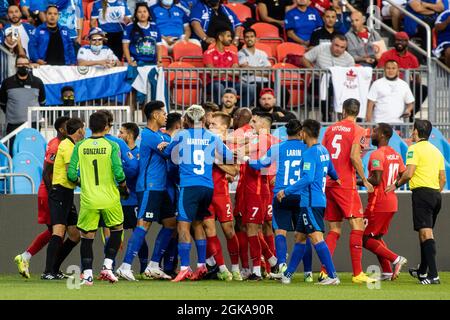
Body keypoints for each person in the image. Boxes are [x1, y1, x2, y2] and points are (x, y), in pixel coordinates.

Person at [159, 104, 234, 282]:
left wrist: (165, 146)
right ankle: (201, 265)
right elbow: (229, 156)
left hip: (189, 186)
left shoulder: (183, 135)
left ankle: (184, 267)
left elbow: (168, 154)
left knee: (183, 226)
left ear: (187, 120)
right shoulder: (211, 137)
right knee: (198, 224)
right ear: (203, 120)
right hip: (207, 187)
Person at [116, 101, 176, 281]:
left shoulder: (162, 136)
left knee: (171, 224)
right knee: (143, 224)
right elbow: (169, 154)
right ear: (155, 116)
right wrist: (173, 144)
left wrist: (170, 144)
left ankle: (154, 265)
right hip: (149, 186)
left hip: (161, 187)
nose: (166, 116)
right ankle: (125, 266)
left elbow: (169, 149)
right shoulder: (149, 135)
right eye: (163, 113)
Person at [276, 119, 341, 285]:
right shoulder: (323, 150)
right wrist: (337, 179)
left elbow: (308, 178)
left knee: (316, 237)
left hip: (310, 202)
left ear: (304, 133)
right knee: (299, 237)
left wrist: (287, 190)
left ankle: (333, 276)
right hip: (316, 201)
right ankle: (288, 275)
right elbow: (331, 170)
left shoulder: (309, 153)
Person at [67, 111, 129, 286]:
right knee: (117, 230)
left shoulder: (79, 146)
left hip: (89, 199)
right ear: (107, 127)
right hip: (110, 198)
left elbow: (71, 174)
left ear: (90, 127)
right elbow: (118, 172)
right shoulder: (112, 146)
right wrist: (123, 187)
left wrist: (83, 182)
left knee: (87, 237)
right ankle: (107, 267)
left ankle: (87, 275)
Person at [248, 119, 313, 282]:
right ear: (301, 133)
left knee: (280, 231)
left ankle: (282, 265)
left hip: (281, 195)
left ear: (286, 133)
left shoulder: (278, 147)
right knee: (304, 235)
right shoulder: (308, 148)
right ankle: (308, 273)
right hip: (302, 195)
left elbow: (259, 165)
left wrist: (246, 158)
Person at [321, 98, 377, 284]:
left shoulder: (329, 129)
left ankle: (324, 271)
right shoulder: (359, 130)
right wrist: (366, 180)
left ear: (343, 111)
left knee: (334, 229)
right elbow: (354, 156)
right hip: (345, 184)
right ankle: (358, 273)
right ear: (357, 112)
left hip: (329, 183)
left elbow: (323, 154)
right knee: (357, 226)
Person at [386, 120, 446, 285]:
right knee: (424, 233)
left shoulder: (413, 149)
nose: (411, 133)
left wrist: (395, 185)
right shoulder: (437, 152)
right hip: (435, 195)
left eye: (412, 130)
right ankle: (422, 271)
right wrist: (434, 193)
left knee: (426, 234)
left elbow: (409, 173)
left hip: (422, 194)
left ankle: (433, 275)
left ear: (417, 132)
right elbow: (443, 178)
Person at [14, 116, 69, 279]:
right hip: (49, 193)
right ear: (61, 129)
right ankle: (29, 258)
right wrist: (53, 192)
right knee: (56, 230)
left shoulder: (64, 145)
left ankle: (47, 266)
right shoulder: (54, 146)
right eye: (68, 126)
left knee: (57, 230)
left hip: (56, 192)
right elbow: (46, 172)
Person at [358, 123, 408, 281]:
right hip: (391, 201)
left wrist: (358, 181)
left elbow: (377, 179)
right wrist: (394, 185)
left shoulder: (377, 155)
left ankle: (395, 259)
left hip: (378, 203)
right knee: (377, 238)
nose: (372, 134)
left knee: (365, 239)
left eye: (375, 131)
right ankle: (386, 271)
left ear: (382, 135)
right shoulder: (395, 154)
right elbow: (403, 173)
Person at [42, 117, 85, 280]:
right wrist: (87, 184)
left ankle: (54, 268)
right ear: (79, 130)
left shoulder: (72, 145)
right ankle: (48, 271)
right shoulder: (67, 146)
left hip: (66, 193)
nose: (84, 131)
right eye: (83, 128)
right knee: (58, 231)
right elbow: (71, 174)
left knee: (74, 235)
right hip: (59, 191)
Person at [238, 112, 279, 280]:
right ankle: (271, 260)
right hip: (254, 189)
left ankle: (259, 268)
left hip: (256, 190)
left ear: (263, 125)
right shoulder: (266, 140)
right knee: (252, 228)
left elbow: (241, 150)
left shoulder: (264, 139)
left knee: (253, 229)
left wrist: (241, 153)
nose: (251, 124)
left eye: (254, 121)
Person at [204, 112, 241, 281]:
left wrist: (217, 162)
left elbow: (234, 171)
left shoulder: (227, 147)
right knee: (209, 231)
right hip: (205, 194)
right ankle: (222, 268)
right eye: (209, 125)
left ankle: (235, 267)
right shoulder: (203, 144)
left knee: (229, 231)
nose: (210, 127)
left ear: (224, 128)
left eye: (214, 125)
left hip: (221, 194)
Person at [302, 34, 354, 122]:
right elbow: (304, 58)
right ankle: (326, 117)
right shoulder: (321, 48)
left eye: (342, 47)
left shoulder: (349, 59)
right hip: (318, 80)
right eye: (336, 45)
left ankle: (347, 120)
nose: (338, 49)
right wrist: (314, 71)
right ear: (331, 43)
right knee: (327, 87)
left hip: (339, 85)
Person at [0, 55, 46, 151]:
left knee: (33, 150)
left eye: (25, 64)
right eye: (20, 64)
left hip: (33, 124)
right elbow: (3, 103)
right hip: (13, 125)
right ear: (16, 66)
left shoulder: (37, 82)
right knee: (13, 150)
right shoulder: (7, 83)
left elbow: (42, 102)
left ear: (29, 65)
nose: (23, 66)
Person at [377, 32, 427, 120]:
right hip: (388, 83)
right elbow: (379, 72)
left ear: (407, 43)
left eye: (403, 41)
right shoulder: (386, 55)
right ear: (394, 42)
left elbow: (417, 77)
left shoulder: (412, 58)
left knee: (422, 89)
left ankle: (410, 115)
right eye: (398, 40)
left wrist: (416, 84)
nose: (400, 43)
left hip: (405, 85)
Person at [203, 28, 256, 108]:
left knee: (250, 88)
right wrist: (229, 71)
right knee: (219, 87)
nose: (231, 39)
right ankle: (219, 111)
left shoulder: (232, 53)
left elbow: (237, 73)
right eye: (228, 36)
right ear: (220, 37)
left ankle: (239, 112)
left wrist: (221, 71)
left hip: (231, 83)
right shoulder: (208, 53)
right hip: (214, 83)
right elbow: (213, 74)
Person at [238, 28, 274, 100]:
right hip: (251, 82)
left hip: (266, 82)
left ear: (256, 39)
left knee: (282, 90)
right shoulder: (241, 53)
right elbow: (246, 69)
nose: (249, 39)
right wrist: (262, 70)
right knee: (260, 89)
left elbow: (269, 71)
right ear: (244, 39)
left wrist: (252, 70)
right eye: (247, 37)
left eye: (252, 36)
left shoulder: (262, 53)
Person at [122, 2, 163, 67]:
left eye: (145, 11)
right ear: (136, 14)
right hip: (135, 63)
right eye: (139, 12)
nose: (142, 14)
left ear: (149, 13)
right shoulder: (129, 27)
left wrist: (159, 61)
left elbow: (159, 47)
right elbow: (125, 46)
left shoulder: (155, 27)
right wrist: (130, 62)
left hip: (152, 63)